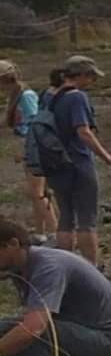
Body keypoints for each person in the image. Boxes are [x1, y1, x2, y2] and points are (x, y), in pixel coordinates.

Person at [0, 216, 111, 356]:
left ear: (13, 244)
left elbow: (33, 328)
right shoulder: (21, 266)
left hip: (104, 342)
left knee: (29, 333)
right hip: (75, 332)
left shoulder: (48, 267)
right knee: (7, 329)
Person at [36, 56, 111, 268]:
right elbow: (84, 132)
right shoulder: (76, 97)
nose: (92, 82)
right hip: (78, 163)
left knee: (65, 218)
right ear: (81, 75)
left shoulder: (47, 95)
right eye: (91, 77)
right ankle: (90, 269)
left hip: (54, 164)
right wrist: (108, 157)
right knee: (87, 219)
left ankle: (66, 267)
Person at [0, 63, 49, 242]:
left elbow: (36, 125)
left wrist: (27, 150)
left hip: (35, 147)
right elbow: (8, 122)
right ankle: (41, 232)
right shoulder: (15, 96)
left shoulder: (26, 96)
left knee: (39, 193)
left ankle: (52, 233)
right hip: (29, 145)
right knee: (37, 192)